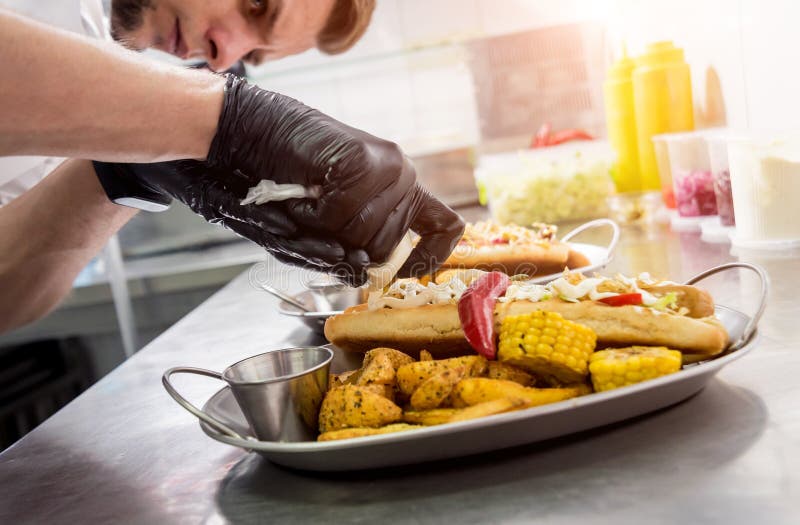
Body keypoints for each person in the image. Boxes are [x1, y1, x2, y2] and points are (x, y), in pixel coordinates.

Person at [0, 3, 465, 334]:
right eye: (255, 4)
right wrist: (219, 114)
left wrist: (114, 175)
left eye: (250, 56)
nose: (222, 57)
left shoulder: (90, 58)